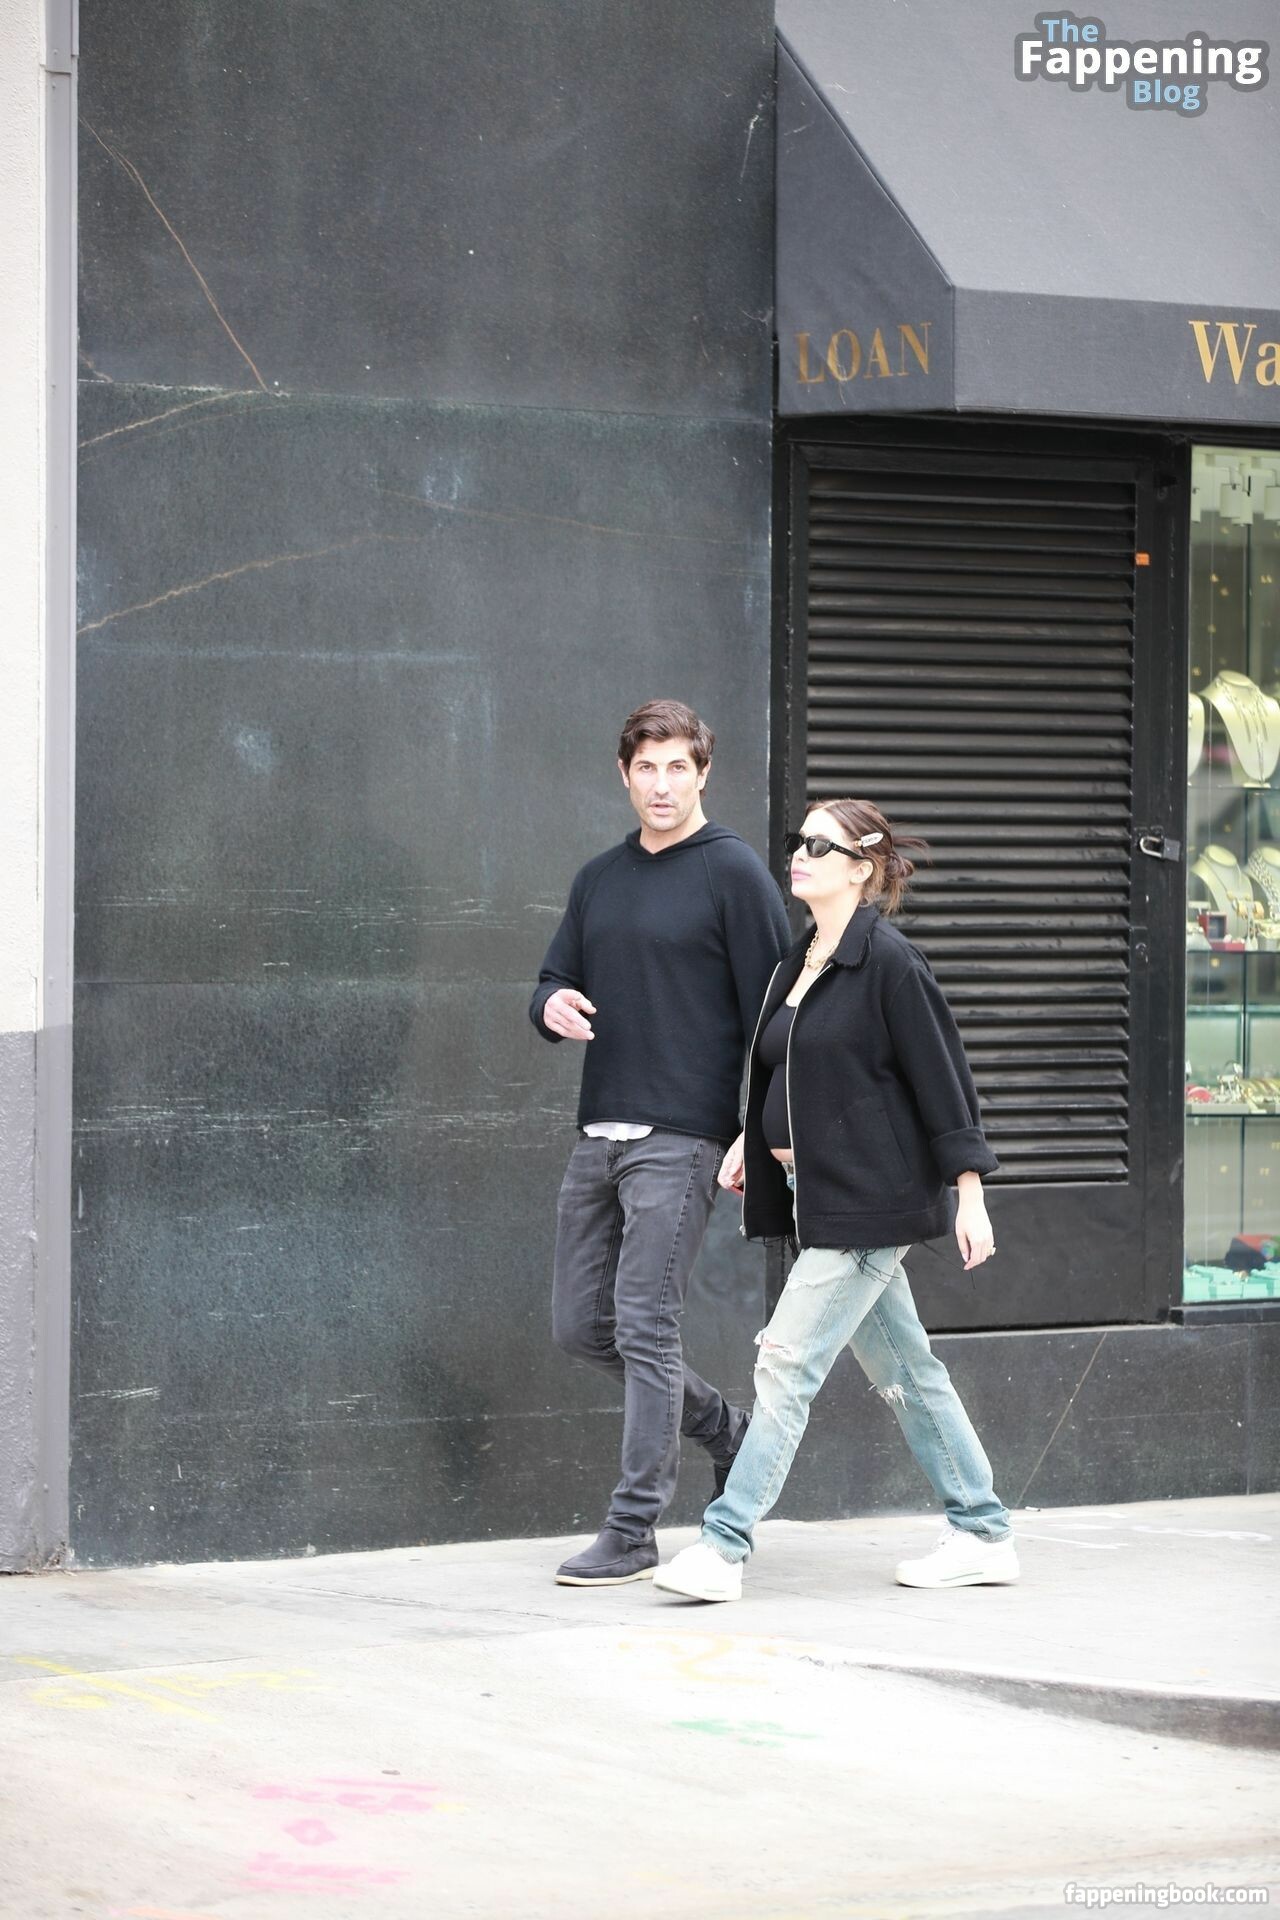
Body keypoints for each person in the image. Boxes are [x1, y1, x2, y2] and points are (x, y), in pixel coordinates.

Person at [653, 798, 1017, 1603]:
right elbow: (789, 1071)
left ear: (862, 867)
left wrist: (970, 1191)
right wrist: (754, 1137)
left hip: (869, 1200)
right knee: (909, 1370)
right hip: (812, 1191)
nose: (801, 853)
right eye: (799, 841)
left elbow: (945, 1083)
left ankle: (722, 1546)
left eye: (822, 845)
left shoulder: (888, 962)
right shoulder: (799, 959)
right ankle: (984, 1532)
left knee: (785, 1363)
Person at [530, 699, 792, 1587]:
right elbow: (554, 977)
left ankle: (633, 1528)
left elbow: (775, 1016)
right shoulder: (599, 878)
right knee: (581, 1327)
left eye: (679, 766)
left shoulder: (733, 872)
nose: (662, 784)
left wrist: (756, 1130)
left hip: (683, 1136)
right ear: (625, 774)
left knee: (646, 1323)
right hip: (599, 1129)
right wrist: (550, 1006)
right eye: (647, 767)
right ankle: (727, 1431)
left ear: (703, 773)